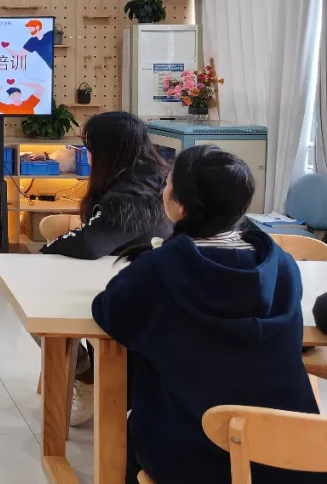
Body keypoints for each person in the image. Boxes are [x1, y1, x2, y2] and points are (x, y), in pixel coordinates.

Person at [93, 145, 323, 484]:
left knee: (135, 431)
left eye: (168, 183)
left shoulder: (158, 268)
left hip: (195, 456)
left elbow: (110, 312)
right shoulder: (282, 266)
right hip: (295, 455)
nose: (163, 189)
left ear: (181, 205)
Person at [38, 111, 170, 426]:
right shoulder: (157, 175)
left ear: (108, 150)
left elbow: (90, 243)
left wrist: (45, 252)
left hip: (133, 294)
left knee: (41, 307)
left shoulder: (131, 193)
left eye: (90, 147)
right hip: (146, 282)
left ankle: (87, 376)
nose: (87, 155)